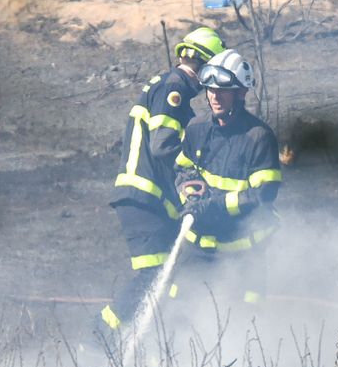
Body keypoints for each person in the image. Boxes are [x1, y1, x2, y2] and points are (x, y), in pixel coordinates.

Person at [100, 26, 226, 333]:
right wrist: (194, 169)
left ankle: (156, 347)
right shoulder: (174, 88)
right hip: (144, 198)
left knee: (168, 278)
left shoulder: (167, 87)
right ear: (205, 65)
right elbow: (163, 144)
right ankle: (97, 339)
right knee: (153, 277)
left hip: (149, 201)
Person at [172, 49, 281, 306]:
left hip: (244, 249)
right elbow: (182, 169)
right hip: (200, 243)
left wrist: (215, 205)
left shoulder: (258, 137)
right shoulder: (197, 128)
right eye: (210, 89)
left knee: (247, 315)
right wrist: (188, 192)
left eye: (223, 90)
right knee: (178, 307)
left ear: (241, 92)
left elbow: (264, 194)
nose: (215, 96)